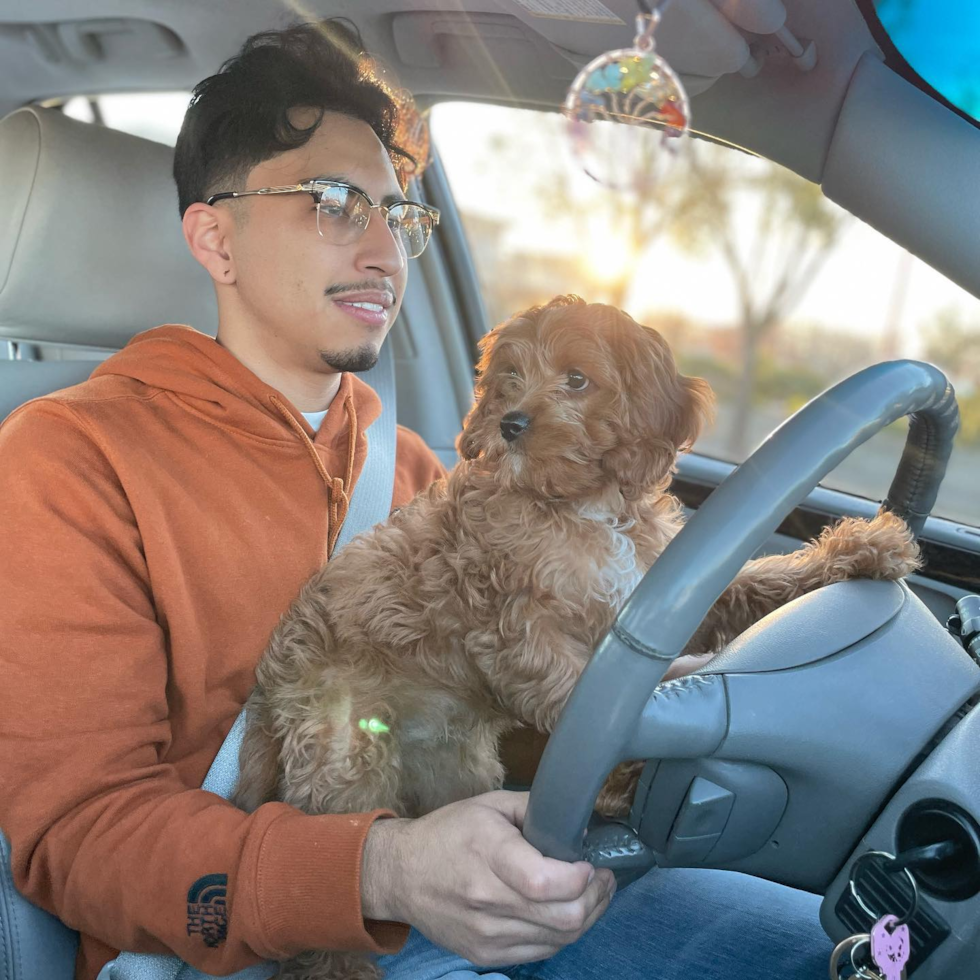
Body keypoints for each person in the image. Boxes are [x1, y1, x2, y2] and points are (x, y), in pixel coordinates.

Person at [0, 20, 832, 980]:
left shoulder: (406, 462)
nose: (387, 254)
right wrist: (383, 872)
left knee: (828, 947)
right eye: (334, 202)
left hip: (483, 867)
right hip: (247, 949)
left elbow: (494, 701)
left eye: (399, 217)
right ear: (215, 237)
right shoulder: (68, 461)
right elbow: (80, 833)